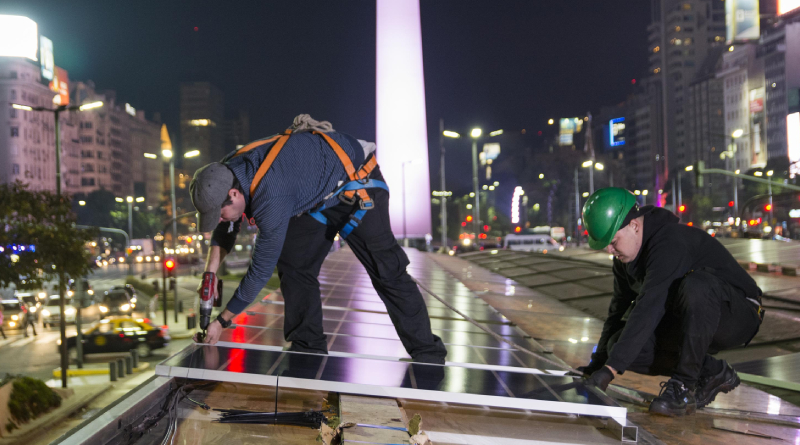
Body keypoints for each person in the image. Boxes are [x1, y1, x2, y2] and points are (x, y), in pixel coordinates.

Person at [190, 115, 447, 364]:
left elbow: (260, 271)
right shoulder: (226, 169)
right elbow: (227, 225)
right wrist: (210, 272)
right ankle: (308, 350)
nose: (220, 220)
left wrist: (222, 321)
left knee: (387, 270)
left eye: (219, 214)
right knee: (294, 263)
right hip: (317, 196)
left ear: (234, 194)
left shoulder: (271, 196)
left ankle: (428, 354)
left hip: (357, 183)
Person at [576, 188, 763, 416]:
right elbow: (617, 312)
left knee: (696, 286)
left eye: (613, 242)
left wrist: (610, 370)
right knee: (619, 344)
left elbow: (649, 308)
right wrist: (597, 365)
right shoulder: (624, 260)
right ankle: (711, 371)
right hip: (692, 315)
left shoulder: (669, 242)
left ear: (634, 225)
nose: (610, 250)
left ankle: (683, 386)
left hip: (738, 312)